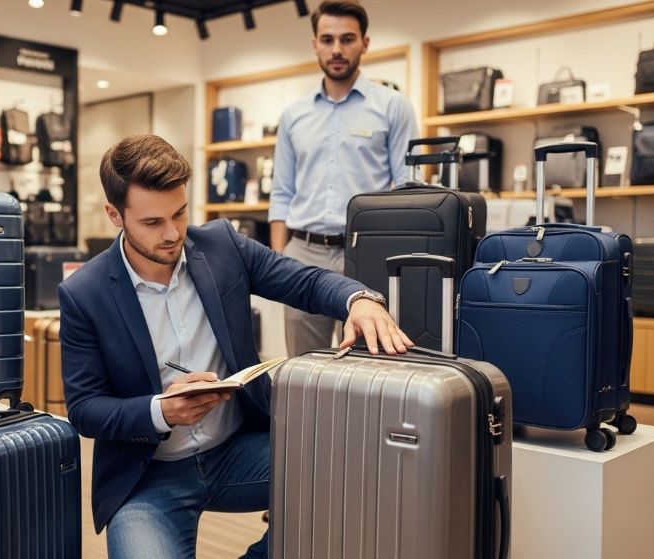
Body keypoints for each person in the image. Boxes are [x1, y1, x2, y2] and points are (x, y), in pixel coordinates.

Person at [58, 134, 412, 559]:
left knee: (353, 479)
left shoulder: (222, 246)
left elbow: (306, 281)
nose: (172, 234)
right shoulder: (84, 293)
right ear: (115, 215)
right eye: (152, 223)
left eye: (180, 213)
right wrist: (161, 410)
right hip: (149, 477)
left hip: (238, 452)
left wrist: (360, 300)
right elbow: (84, 409)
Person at [268, 0, 419, 358]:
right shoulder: (294, 115)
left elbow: (408, 186)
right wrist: (279, 259)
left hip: (369, 252)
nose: (337, 49)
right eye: (327, 39)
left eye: (347, 39)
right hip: (303, 254)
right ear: (315, 44)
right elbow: (281, 192)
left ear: (364, 43)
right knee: (306, 367)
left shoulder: (393, 106)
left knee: (374, 361)